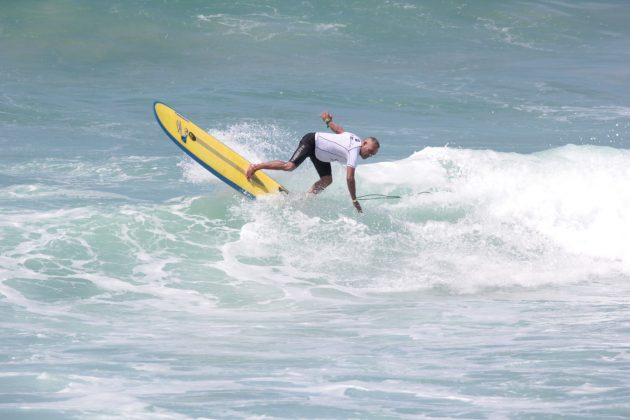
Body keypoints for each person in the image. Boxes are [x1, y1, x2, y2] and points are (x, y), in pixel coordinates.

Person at [245, 112, 380, 213]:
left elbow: (339, 130)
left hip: (321, 155)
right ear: (365, 142)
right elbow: (350, 178)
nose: (370, 155)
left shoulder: (354, 138)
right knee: (290, 166)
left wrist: (328, 121)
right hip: (312, 142)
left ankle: (306, 198)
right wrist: (354, 199)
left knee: (327, 180)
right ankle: (256, 166)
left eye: (373, 154)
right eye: (370, 150)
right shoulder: (354, 151)